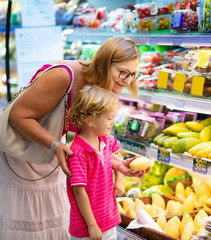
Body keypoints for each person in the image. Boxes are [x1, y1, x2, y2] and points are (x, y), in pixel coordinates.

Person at [0, 36, 146, 239]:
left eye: (133, 74)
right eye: (122, 72)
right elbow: (19, 116)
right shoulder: (63, 76)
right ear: (104, 63)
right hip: (23, 153)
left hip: (50, 155)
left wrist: (118, 164)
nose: (128, 80)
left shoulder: (103, 86)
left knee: (53, 220)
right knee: (30, 223)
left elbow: (91, 144)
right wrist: (54, 145)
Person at [67, 86, 125, 240]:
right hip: (87, 228)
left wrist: (119, 180)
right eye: (109, 118)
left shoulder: (106, 140)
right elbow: (79, 191)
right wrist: (92, 226)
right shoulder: (77, 153)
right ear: (90, 119)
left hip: (109, 219)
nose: (113, 122)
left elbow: (117, 154)